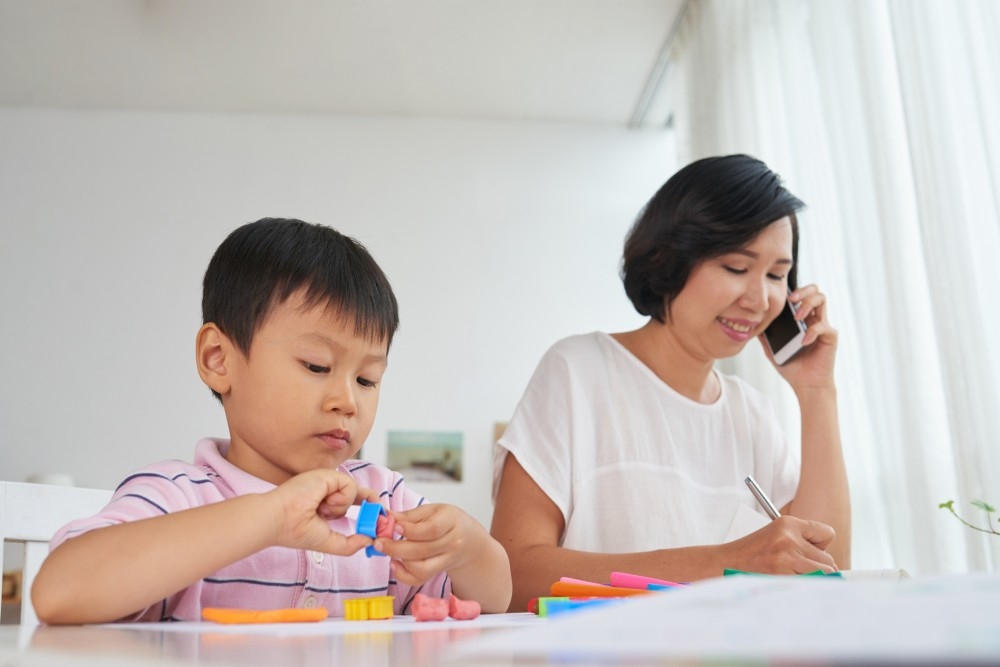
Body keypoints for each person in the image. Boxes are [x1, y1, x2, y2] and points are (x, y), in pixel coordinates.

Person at [32, 217, 512, 624]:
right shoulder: (179, 496)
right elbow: (59, 591)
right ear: (219, 359)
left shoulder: (382, 502)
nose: (348, 401)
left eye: (367, 379)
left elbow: (493, 600)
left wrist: (468, 545)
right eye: (317, 367)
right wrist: (273, 515)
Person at [490, 155, 851, 611]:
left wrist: (817, 392)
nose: (760, 300)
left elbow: (828, 570)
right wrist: (725, 564)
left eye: (777, 275)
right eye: (737, 268)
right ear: (671, 259)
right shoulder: (578, 371)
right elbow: (511, 574)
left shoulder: (752, 413)